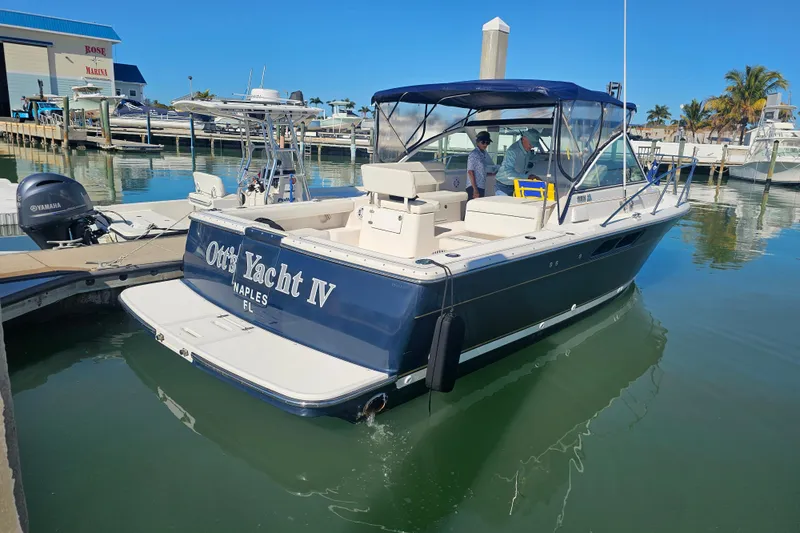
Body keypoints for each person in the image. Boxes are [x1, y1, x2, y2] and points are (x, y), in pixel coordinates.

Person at [495, 129, 541, 196]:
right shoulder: (512, 151)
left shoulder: (527, 149)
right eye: (530, 144)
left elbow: (531, 158)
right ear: (524, 139)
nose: (532, 147)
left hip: (516, 184)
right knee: (504, 206)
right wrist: (528, 177)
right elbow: (507, 173)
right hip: (504, 186)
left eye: (533, 145)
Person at [466, 131, 495, 200]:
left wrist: (490, 174)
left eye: (487, 143)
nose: (485, 144)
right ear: (477, 142)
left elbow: (480, 170)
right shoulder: (474, 154)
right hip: (474, 187)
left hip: (481, 186)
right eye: (483, 142)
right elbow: (470, 171)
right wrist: (475, 189)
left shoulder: (483, 154)